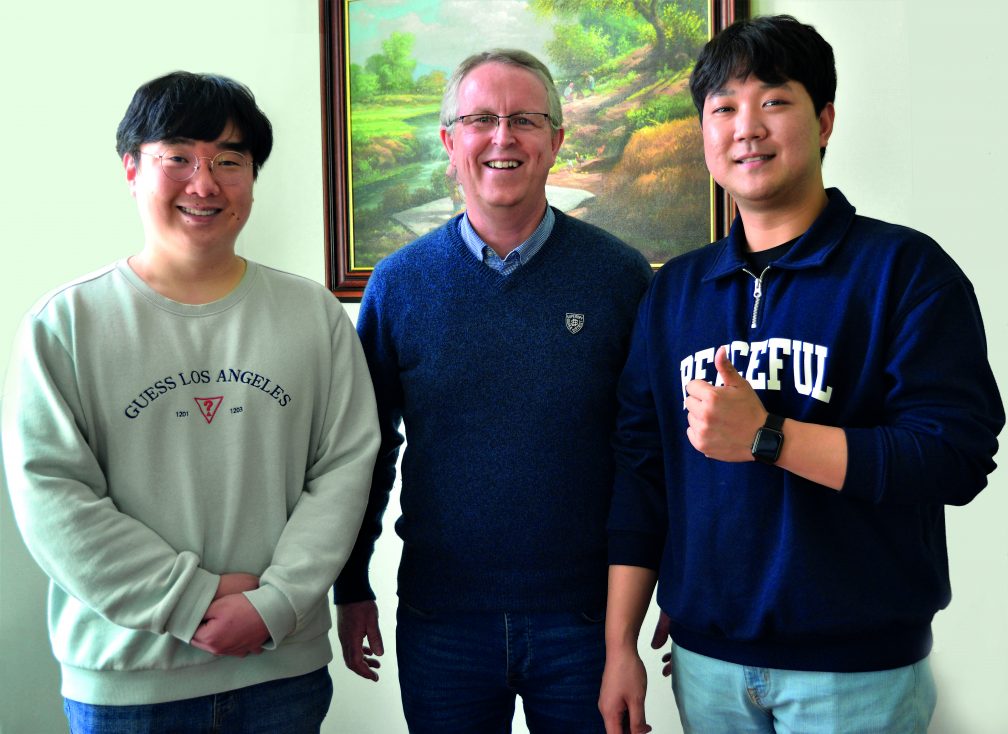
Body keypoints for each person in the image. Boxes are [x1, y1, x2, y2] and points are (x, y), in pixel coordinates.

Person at [598, 15, 1004, 734]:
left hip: (858, 673)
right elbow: (641, 473)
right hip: (706, 664)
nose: (746, 128)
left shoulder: (905, 272)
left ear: (824, 122)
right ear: (703, 134)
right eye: (723, 108)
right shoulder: (674, 293)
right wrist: (618, 644)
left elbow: (955, 457)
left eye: (774, 101)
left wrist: (769, 437)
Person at [1, 71, 380, 733]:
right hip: (127, 684)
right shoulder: (65, 323)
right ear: (131, 169)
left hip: (280, 676)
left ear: (253, 177)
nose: (204, 184)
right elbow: (52, 494)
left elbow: (344, 469)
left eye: (229, 161)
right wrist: (192, 598)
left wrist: (273, 604)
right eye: (177, 157)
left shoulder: (312, 315)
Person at [333, 49, 652, 733]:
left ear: (556, 141)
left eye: (525, 120)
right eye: (480, 119)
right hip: (442, 620)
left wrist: (676, 584)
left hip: (585, 620)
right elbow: (367, 450)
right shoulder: (399, 284)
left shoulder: (620, 278)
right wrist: (351, 583)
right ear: (449, 143)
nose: (503, 137)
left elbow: (648, 453)